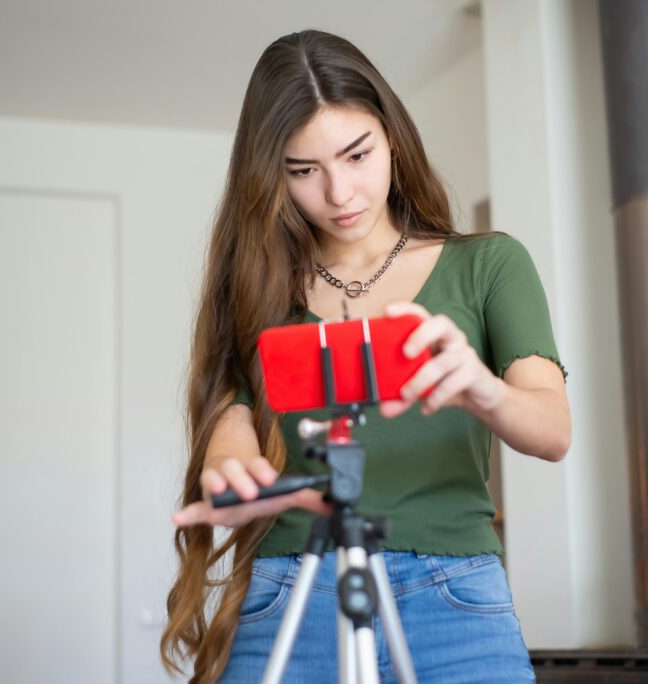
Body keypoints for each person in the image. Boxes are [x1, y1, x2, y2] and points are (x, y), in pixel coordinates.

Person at [161, 29, 571, 684]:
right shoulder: (256, 288)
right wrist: (233, 481)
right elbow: (229, 438)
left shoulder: (488, 265)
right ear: (271, 176)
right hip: (293, 584)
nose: (341, 193)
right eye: (303, 171)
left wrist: (479, 387)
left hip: (453, 594)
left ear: (392, 137)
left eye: (358, 155)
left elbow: (553, 432)